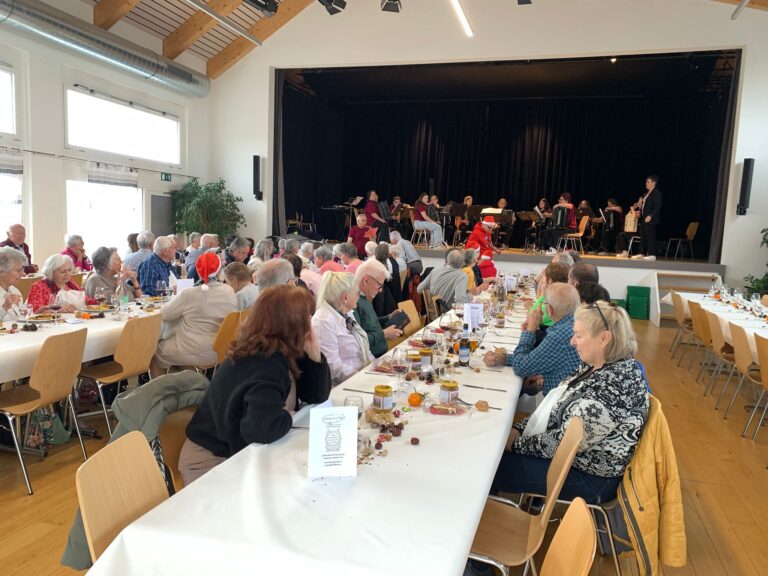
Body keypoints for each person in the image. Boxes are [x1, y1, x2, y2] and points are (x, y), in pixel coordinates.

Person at [491, 300, 649, 504]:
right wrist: (518, 429)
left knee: (488, 467)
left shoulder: (614, 385)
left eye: (579, 335)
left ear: (604, 338)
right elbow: (554, 407)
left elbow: (565, 443)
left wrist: (515, 442)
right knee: (492, 454)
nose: (572, 341)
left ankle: (492, 525)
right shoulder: (597, 365)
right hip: (570, 458)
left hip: (589, 476)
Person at [180, 285, 331, 485]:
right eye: (308, 319)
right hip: (212, 461)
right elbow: (261, 429)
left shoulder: (281, 350)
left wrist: (314, 356)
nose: (311, 325)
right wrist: (288, 415)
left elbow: (316, 395)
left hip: (240, 450)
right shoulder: (265, 362)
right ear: (293, 325)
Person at [149, 252, 237, 377]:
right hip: (221, 349)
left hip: (194, 349)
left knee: (155, 353)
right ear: (219, 271)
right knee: (185, 347)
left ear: (198, 270)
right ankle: (191, 388)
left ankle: (161, 395)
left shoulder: (189, 294)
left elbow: (165, 314)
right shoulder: (229, 290)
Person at [484, 283, 581, 396]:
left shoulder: (559, 335)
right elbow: (535, 359)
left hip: (559, 402)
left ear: (549, 309)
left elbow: (521, 367)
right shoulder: (573, 325)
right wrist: (504, 358)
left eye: (544, 304)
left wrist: (530, 330)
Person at [312, 272, 373, 385]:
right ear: (345, 297)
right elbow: (333, 368)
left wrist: (376, 366)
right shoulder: (323, 321)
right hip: (343, 385)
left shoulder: (347, 312)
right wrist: (364, 376)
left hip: (361, 375)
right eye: (358, 293)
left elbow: (364, 348)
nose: (359, 297)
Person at [353, 259, 403, 357]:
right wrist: (384, 334)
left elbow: (369, 323)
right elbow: (358, 340)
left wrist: (389, 317)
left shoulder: (364, 297)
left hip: (381, 354)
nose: (380, 291)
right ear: (366, 280)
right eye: (379, 285)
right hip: (371, 359)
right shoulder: (353, 303)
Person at [27, 254, 97, 313]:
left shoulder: (71, 284)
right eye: (63, 272)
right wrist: (59, 310)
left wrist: (100, 303)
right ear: (51, 272)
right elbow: (33, 311)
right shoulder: (38, 286)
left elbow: (88, 301)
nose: (67, 274)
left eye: (69, 270)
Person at [528, 262, 570, 328]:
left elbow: (534, 318)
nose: (541, 281)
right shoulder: (561, 296)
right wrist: (543, 291)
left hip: (545, 333)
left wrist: (529, 307)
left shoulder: (553, 303)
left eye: (543, 278)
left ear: (549, 280)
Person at [637, 175, 662, 260]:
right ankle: (642, 253)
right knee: (643, 235)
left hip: (651, 218)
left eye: (648, 182)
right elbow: (644, 206)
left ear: (654, 183)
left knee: (650, 236)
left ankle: (652, 254)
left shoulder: (656, 193)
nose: (646, 183)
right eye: (646, 182)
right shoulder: (647, 194)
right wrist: (639, 212)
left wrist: (651, 215)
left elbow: (657, 206)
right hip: (644, 218)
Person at [0, 246, 27, 321]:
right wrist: (4, 308)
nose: (23, 274)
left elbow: (22, 319)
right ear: (1, 272)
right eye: (18, 270)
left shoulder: (15, 291)